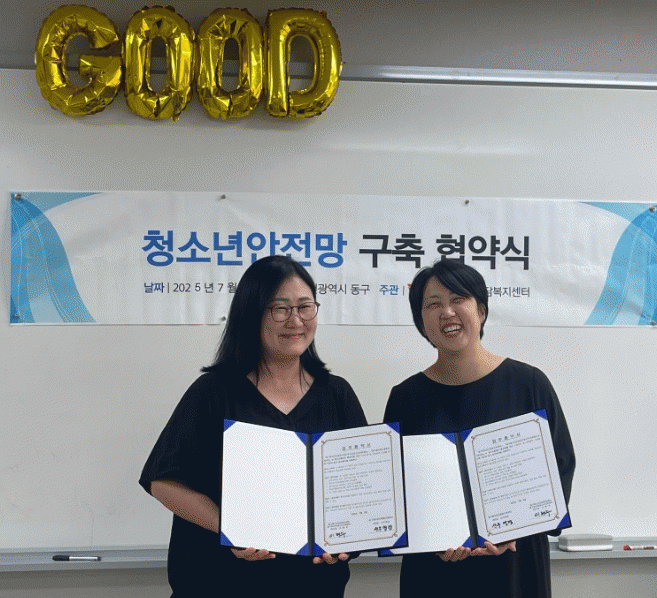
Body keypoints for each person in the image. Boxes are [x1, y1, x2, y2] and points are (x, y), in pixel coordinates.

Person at [140, 255, 367, 598]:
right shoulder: (214, 392)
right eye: (280, 308)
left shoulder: (337, 394)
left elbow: (360, 490)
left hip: (312, 585)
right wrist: (230, 528)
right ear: (252, 313)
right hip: (219, 584)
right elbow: (164, 482)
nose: (295, 320)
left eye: (305, 307)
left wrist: (347, 540)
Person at [384, 259, 575, 598]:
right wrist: (429, 535)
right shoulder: (405, 398)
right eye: (433, 304)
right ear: (422, 322)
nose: (448, 312)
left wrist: (516, 528)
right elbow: (393, 489)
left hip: (514, 568)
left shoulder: (528, 383)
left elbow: (561, 467)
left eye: (458, 299)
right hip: (434, 571)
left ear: (481, 311)